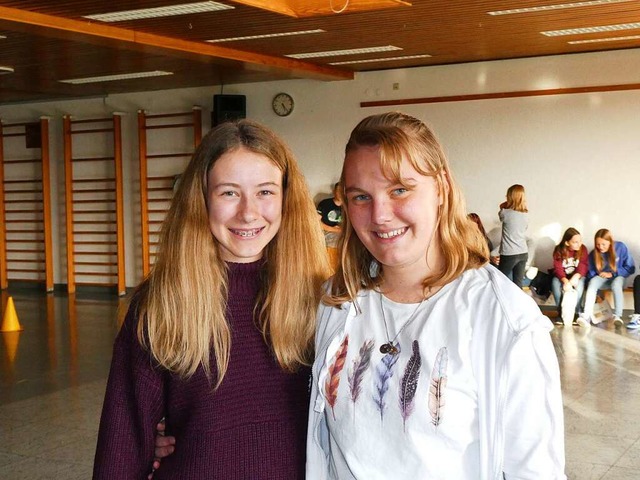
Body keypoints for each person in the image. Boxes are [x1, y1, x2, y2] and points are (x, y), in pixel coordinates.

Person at [306, 112, 566, 479]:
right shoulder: (338, 300)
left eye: (400, 189)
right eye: (361, 196)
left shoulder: (503, 320)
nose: (380, 215)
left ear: (441, 188)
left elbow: (534, 472)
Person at [93, 120, 331, 479]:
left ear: (286, 197)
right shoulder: (164, 301)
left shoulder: (321, 298)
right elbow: (122, 444)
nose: (248, 212)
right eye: (229, 193)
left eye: (265, 192)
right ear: (201, 198)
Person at [578, 229, 635, 328]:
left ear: (610, 241)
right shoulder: (594, 253)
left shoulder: (620, 247)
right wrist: (597, 275)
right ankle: (586, 316)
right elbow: (590, 272)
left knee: (616, 285)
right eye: (598, 244)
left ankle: (617, 316)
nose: (600, 247)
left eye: (603, 244)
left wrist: (612, 274)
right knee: (592, 283)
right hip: (602, 278)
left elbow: (630, 268)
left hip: (618, 276)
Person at [551, 227, 588, 326]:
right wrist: (565, 281)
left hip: (577, 276)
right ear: (567, 243)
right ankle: (561, 312)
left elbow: (583, 265)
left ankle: (576, 312)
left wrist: (576, 276)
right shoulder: (559, 250)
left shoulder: (583, 249)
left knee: (579, 286)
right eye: (575, 242)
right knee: (555, 284)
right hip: (562, 276)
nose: (579, 244)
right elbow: (558, 268)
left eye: (580, 241)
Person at [497, 184, 529, 288]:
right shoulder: (526, 214)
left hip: (509, 253)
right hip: (523, 252)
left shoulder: (505, 213)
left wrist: (508, 204)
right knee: (518, 284)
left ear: (510, 197)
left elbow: (501, 207)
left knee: (499, 281)